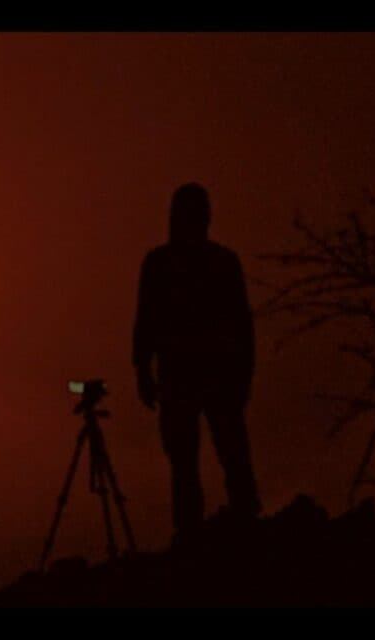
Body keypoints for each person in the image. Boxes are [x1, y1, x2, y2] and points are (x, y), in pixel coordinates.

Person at [132, 183, 261, 535]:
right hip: (191, 377)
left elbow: (240, 322)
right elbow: (147, 319)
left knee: (216, 457)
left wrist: (143, 368)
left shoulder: (182, 263)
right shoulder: (198, 262)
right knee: (192, 460)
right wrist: (142, 367)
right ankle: (206, 532)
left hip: (205, 376)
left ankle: (220, 531)